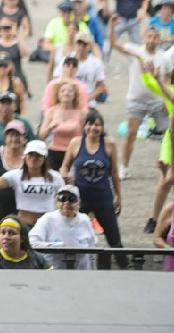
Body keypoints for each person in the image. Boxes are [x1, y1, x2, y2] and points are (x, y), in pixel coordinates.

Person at [60, 110, 128, 269]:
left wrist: (119, 196)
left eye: (97, 125)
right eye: (90, 124)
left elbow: (114, 173)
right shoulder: (76, 143)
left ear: (102, 127)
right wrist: (64, 176)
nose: (93, 128)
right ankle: (74, 265)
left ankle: (126, 267)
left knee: (114, 237)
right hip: (80, 199)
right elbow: (64, 165)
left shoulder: (109, 143)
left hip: (103, 197)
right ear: (84, 126)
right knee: (76, 233)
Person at [108, 18, 168, 179]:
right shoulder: (136, 51)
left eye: (155, 37)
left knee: (169, 135)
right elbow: (114, 43)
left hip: (158, 101)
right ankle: (124, 167)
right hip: (137, 100)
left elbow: (167, 80)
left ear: (159, 40)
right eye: (149, 36)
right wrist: (112, 27)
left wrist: (167, 101)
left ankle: (170, 167)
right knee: (130, 134)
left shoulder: (163, 57)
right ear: (144, 37)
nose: (152, 39)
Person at [0, 140, 65, 227]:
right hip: (25, 225)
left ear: (44, 159)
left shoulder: (56, 177)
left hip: (48, 226)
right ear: (25, 157)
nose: (33, 158)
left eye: (38, 155)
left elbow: (64, 198)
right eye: (30, 155)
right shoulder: (16, 175)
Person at [29, 185, 98, 269]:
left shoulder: (85, 220)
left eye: (72, 199)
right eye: (62, 198)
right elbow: (32, 243)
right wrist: (57, 247)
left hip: (81, 274)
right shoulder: (47, 219)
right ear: (57, 201)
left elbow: (91, 251)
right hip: (53, 274)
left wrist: (92, 273)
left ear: (79, 202)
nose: (66, 203)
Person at [39, 80, 86, 170]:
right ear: (58, 95)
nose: (66, 93)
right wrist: (49, 128)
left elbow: (87, 134)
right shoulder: (51, 111)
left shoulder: (82, 112)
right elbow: (42, 135)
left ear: (75, 95)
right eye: (63, 91)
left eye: (70, 91)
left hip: (75, 152)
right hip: (55, 151)